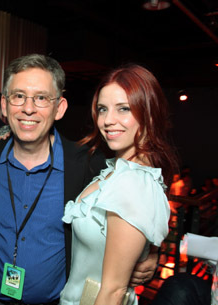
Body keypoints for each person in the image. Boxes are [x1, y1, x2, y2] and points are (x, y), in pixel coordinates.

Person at [0, 55, 159, 305]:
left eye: (41, 98)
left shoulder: (88, 165)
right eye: (19, 96)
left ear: (59, 108)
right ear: (4, 106)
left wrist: (151, 252)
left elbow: (139, 198)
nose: (29, 108)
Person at [59, 64, 178, 305]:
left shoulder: (133, 183)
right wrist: (151, 251)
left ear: (149, 113)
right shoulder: (118, 170)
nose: (108, 120)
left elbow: (113, 290)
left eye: (124, 109)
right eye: (103, 109)